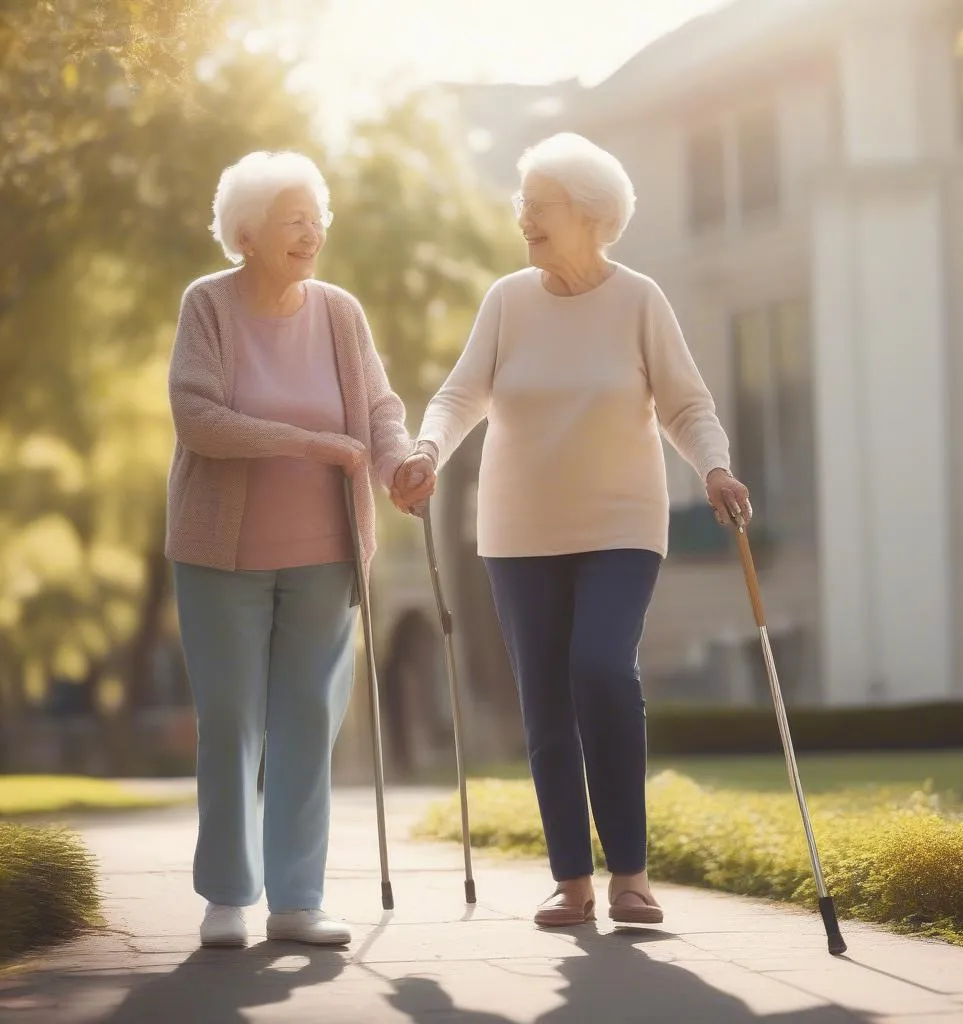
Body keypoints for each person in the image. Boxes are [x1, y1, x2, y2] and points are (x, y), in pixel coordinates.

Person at [391, 133, 752, 928]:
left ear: (590, 216)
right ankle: (574, 884)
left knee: (601, 668)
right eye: (521, 205)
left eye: (538, 206)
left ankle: (631, 874)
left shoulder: (639, 300)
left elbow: (687, 407)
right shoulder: (507, 301)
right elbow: (458, 395)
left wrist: (715, 469)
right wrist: (426, 449)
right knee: (545, 702)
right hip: (518, 534)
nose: (523, 219)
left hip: (622, 525)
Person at [165, 150, 434, 949]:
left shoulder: (340, 313)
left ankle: (297, 898)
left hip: (325, 554)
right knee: (231, 721)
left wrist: (400, 461)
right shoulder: (207, 306)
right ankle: (225, 895)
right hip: (221, 557)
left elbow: (380, 411)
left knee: (309, 721)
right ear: (245, 234)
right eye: (292, 219)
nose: (310, 232)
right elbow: (197, 417)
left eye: (316, 217)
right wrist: (314, 444)